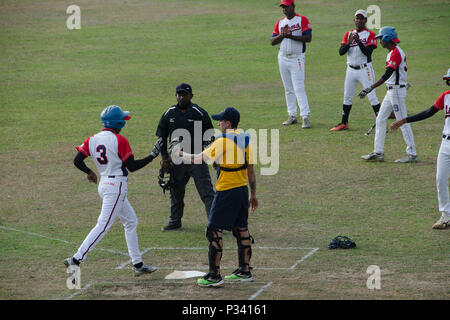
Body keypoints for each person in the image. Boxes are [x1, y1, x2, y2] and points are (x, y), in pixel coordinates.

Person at [64, 105, 158, 276]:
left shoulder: (92, 139)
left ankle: (138, 265)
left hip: (105, 184)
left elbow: (77, 160)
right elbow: (133, 166)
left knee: (131, 221)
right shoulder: (119, 140)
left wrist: (90, 172)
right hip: (116, 188)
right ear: (119, 123)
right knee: (103, 225)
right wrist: (153, 155)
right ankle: (76, 259)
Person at [175, 107, 258, 287]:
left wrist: (180, 153)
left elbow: (199, 159)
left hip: (226, 191)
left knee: (214, 230)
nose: (218, 123)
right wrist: (253, 194)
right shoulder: (245, 139)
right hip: (242, 191)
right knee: (241, 228)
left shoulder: (222, 141)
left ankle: (214, 275)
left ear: (228, 123)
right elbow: (250, 169)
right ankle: (245, 271)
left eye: (221, 120)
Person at [390, 69, 450, 229]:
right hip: (445, 143)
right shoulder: (446, 96)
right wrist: (404, 120)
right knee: (440, 179)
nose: (448, 83)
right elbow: (428, 112)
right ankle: (445, 215)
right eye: (448, 81)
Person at [156, 83, 215, 231]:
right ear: (176, 95)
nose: (181, 97)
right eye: (179, 94)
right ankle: (175, 221)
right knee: (176, 192)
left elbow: (210, 137)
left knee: (207, 192)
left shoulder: (199, 113)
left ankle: (215, 223)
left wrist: (208, 155)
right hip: (177, 160)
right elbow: (162, 137)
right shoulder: (169, 113)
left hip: (197, 159)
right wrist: (164, 158)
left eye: (184, 94)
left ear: (191, 96)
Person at [359, 26, 418, 163]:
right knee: (380, 119)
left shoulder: (396, 53)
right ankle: (378, 152)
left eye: (381, 38)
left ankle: (412, 154)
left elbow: (387, 74)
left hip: (396, 91)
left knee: (402, 121)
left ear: (387, 38)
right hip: (391, 91)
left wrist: (370, 87)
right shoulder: (392, 52)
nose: (380, 41)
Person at [330, 9, 381, 132]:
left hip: (365, 69)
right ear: (354, 20)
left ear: (365, 20)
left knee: (372, 96)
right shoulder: (348, 34)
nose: (358, 20)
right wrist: (349, 43)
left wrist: (358, 42)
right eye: (356, 18)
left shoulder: (370, 34)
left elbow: (368, 52)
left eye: (361, 18)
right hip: (350, 70)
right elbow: (341, 52)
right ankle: (344, 123)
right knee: (347, 97)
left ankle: (381, 122)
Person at [271, 0, 312, 128]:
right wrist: (282, 35)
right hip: (282, 57)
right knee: (288, 88)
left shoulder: (302, 20)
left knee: (299, 87)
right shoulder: (280, 22)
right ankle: (292, 115)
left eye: (287, 6)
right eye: (283, 7)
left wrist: (290, 36)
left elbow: (308, 38)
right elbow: (272, 41)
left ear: (293, 6)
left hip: (297, 58)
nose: (284, 9)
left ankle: (305, 116)